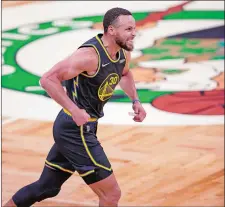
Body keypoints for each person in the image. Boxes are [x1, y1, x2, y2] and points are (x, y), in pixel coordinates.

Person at [4, 7, 146, 207]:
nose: (134, 33)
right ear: (111, 31)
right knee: (111, 194)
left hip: (80, 127)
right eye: (128, 29)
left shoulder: (122, 52)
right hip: (75, 129)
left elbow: (124, 73)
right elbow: (47, 80)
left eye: (134, 28)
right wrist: (74, 110)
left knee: (47, 187)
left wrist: (135, 100)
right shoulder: (89, 56)